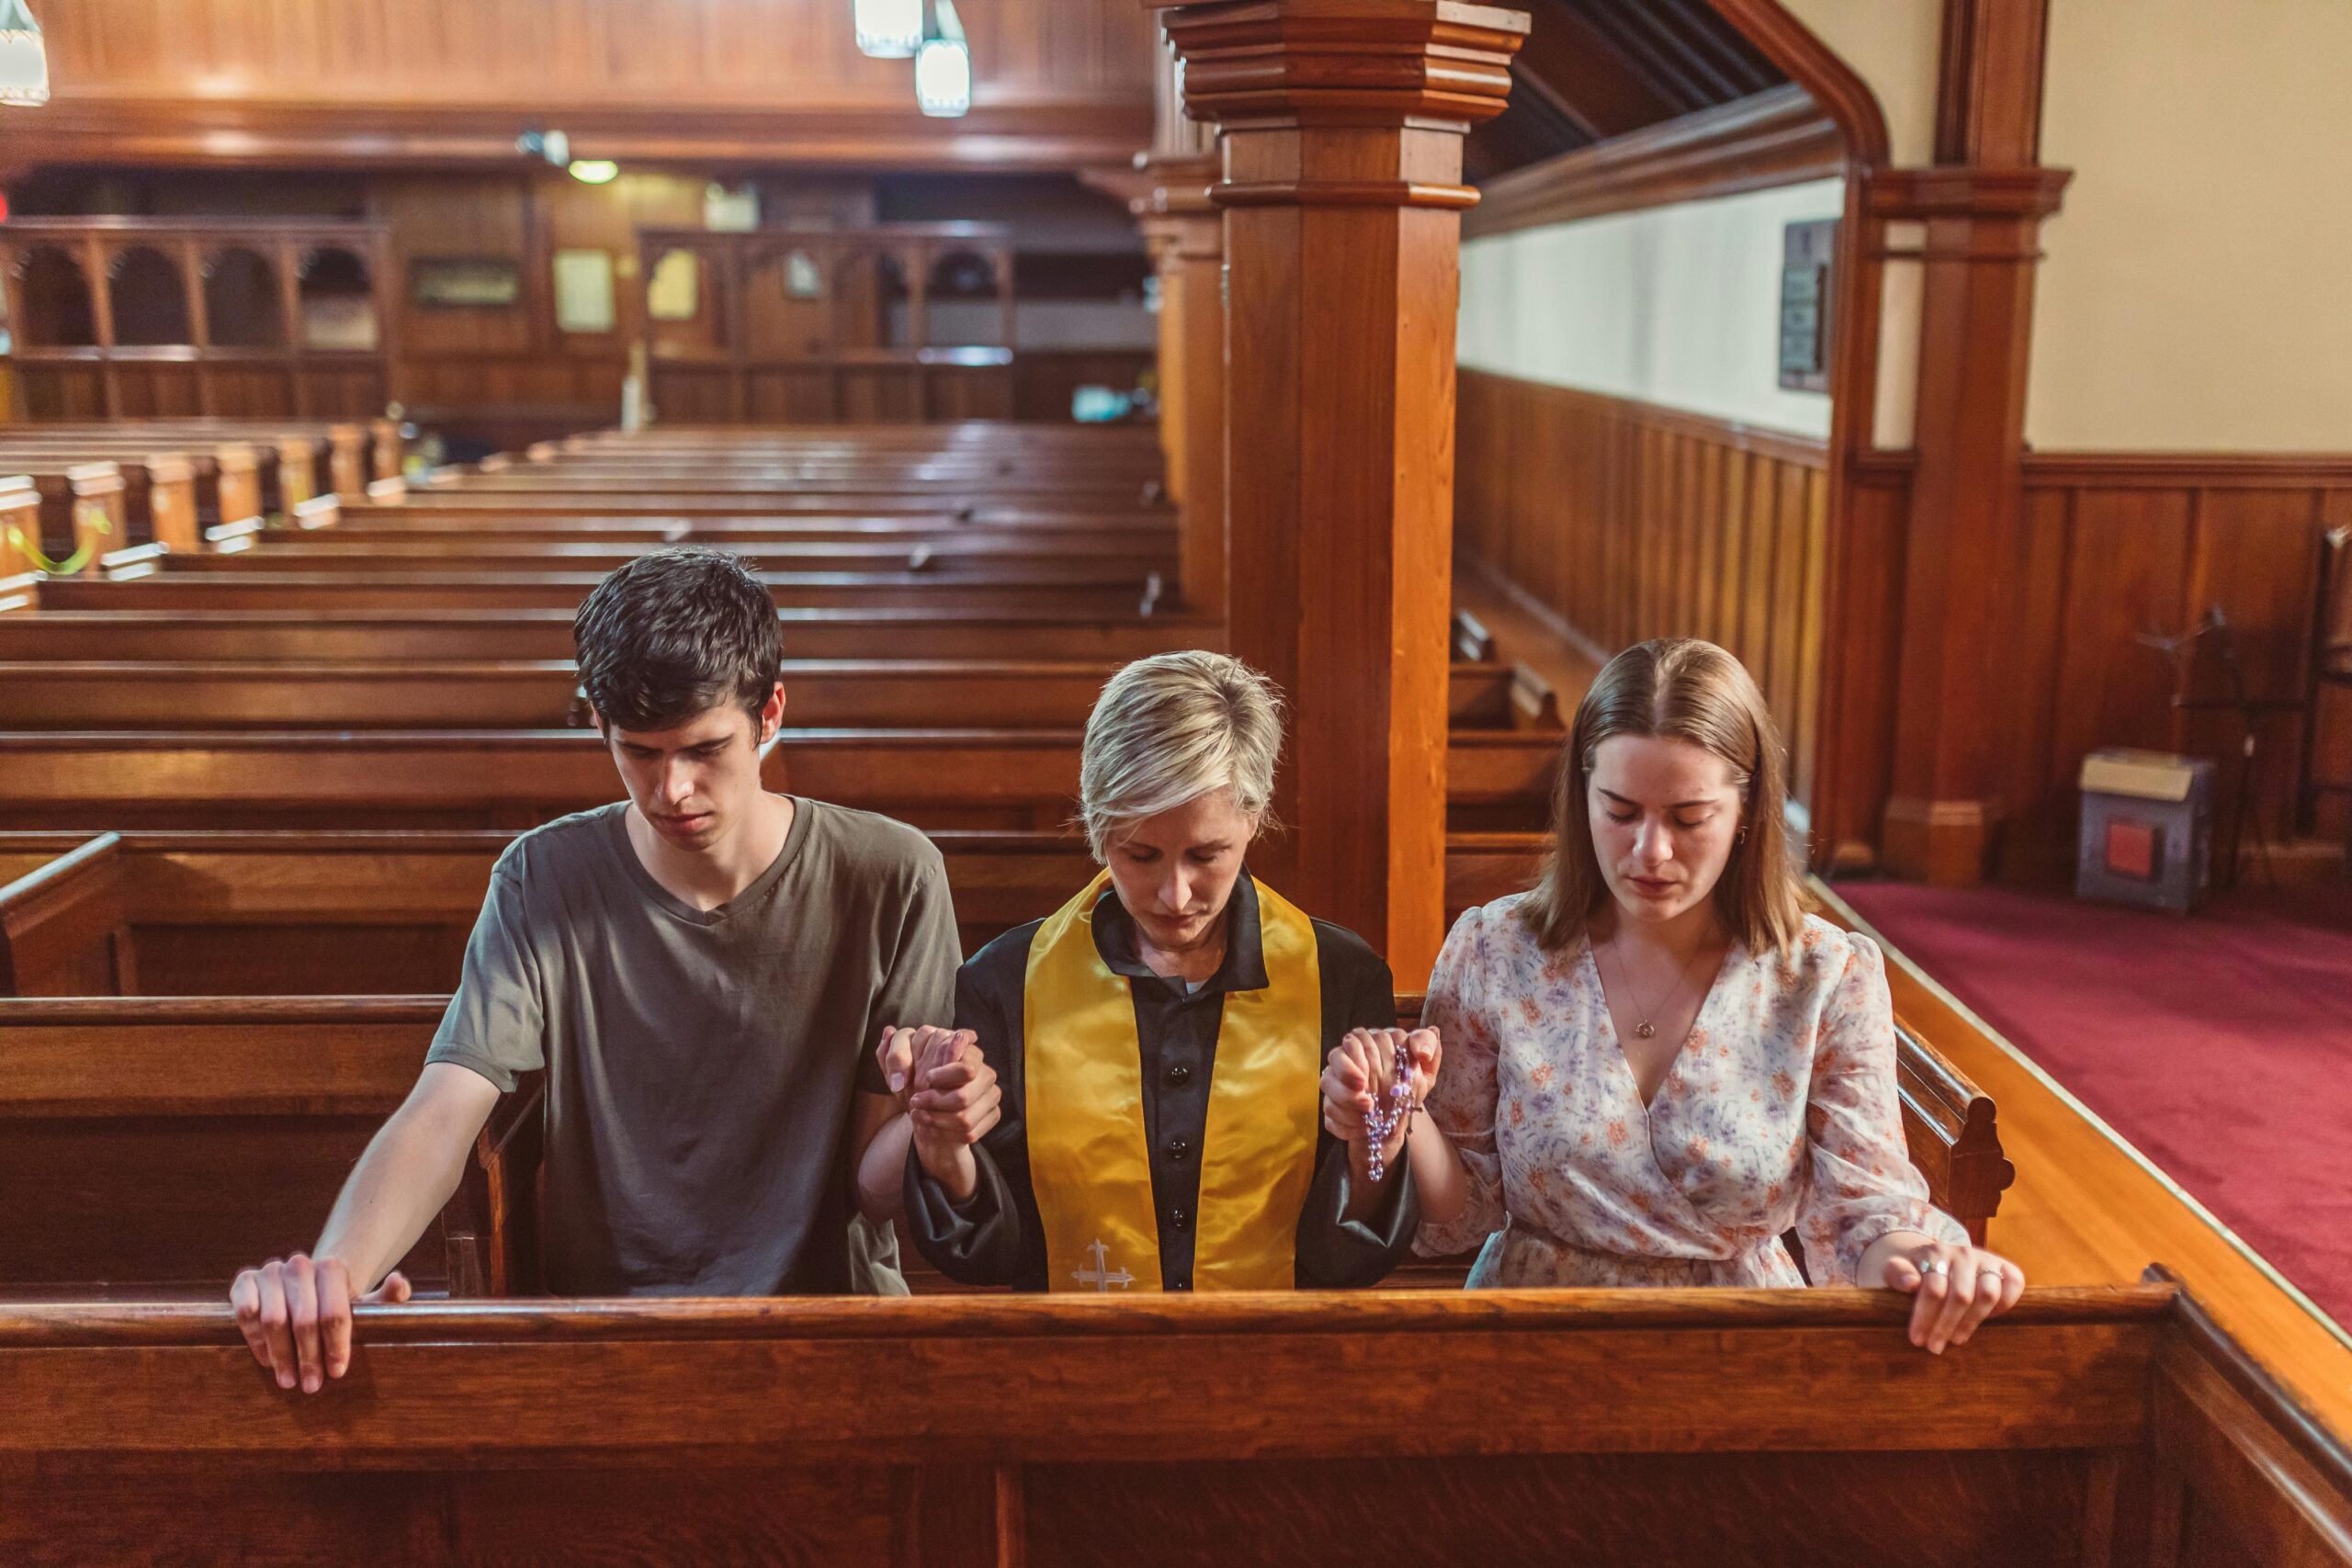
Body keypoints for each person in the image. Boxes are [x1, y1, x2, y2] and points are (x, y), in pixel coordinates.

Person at [230, 547, 990, 1393]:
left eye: (706, 749)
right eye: (639, 751)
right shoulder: (541, 878)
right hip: (606, 1333)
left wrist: (935, 1126)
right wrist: (337, 1272)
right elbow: (445, 1107)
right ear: (598, 723)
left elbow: (871, 1190)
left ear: (771, 713)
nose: (672, 789)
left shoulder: (891, 873)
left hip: (827, 1327)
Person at [1327, 637, 2023, 1354]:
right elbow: (1461, 1211)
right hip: (1534, 1341)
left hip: (1741, 1350)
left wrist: (1934, 1265)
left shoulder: (1824, 974)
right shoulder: (1495, 949)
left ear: (1747, 809)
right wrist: (1396, 1115)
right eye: (1621, 812)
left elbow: (1862, 1218)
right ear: (1581, 794)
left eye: (1689, 818)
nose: (1650, 851)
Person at [881, 651, 1419, 1292]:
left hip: (1279, 1362)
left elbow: (1346, 1260)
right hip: (1069, 1366)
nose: (1174, 893)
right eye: (1140, 854)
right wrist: (945, 1151)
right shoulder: (1008, 980)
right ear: (1098, 825)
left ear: (1253, 816)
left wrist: (1374, 1142)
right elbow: (999, 1254)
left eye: (1206, 853)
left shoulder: (1338, 975)